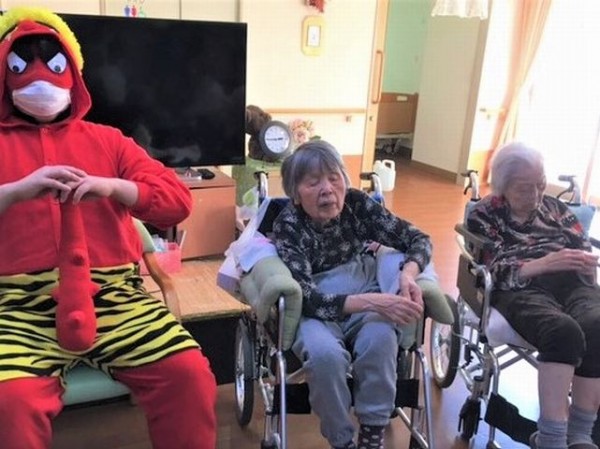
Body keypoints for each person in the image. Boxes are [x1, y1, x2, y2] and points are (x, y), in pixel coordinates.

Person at [0, 7, 216, 449]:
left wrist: (116, 187)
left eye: (52, 64)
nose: (39, 78)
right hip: (16, 306)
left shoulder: (109, 140)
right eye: (22, 66)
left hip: (115, 296)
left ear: (72, 74)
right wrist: (16, 192)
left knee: (188, 374)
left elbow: (177, 202)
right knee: (9, 402)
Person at [272, 140, 432, 449]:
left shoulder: (357, 205)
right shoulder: (288, 225)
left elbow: (418, 239)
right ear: (295, 193)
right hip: (316, 306)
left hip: (362, 283)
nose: (327, 190)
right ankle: (342, 441)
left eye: (334, 178)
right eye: (313, 182)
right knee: (324, 357)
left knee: (381, 340)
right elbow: (307, 298)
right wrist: (374, 302)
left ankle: (372, 436)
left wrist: (407, 274)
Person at [467, 141, 600, 449]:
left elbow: (581, 246)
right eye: (525, 188)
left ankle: (580, 434)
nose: (537, 195)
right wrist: (543, 264)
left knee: (597, 324)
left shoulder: (557, 209)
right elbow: (492, 271)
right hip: (521, 287)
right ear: (503, 186)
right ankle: (551, 438)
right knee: (562, 331)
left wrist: (584, 262)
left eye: (541, 184)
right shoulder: (485, 215)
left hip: (572, 282)